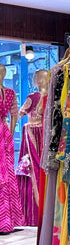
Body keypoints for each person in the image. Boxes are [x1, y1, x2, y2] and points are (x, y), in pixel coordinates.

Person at [16, 68, 49, 226]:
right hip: (45, 132)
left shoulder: (32, 96)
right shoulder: (49, 96)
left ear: (38, 81)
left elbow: (20, 113)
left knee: (31, 170)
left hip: (31, 133)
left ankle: (33, 212)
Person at [0, 64, 24, 234]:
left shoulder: (10, 93)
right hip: (5, 130)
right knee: (6, 173)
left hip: (4, 132)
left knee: (5, 173)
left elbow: (15, 113)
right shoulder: (10, 93)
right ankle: (7, 219)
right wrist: (9, 129)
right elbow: (14, 115)